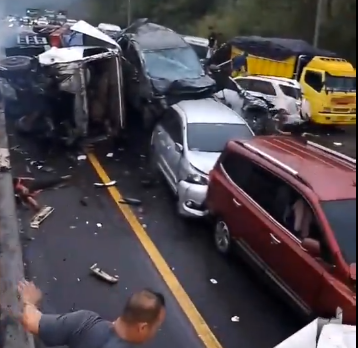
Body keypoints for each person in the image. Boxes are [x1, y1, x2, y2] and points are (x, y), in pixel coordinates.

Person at [18, 280, 166, 347]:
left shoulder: (84, 322)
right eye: (156, 327)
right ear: (142, 327)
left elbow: (30, 321)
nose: (155, 333)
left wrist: (29, 302)